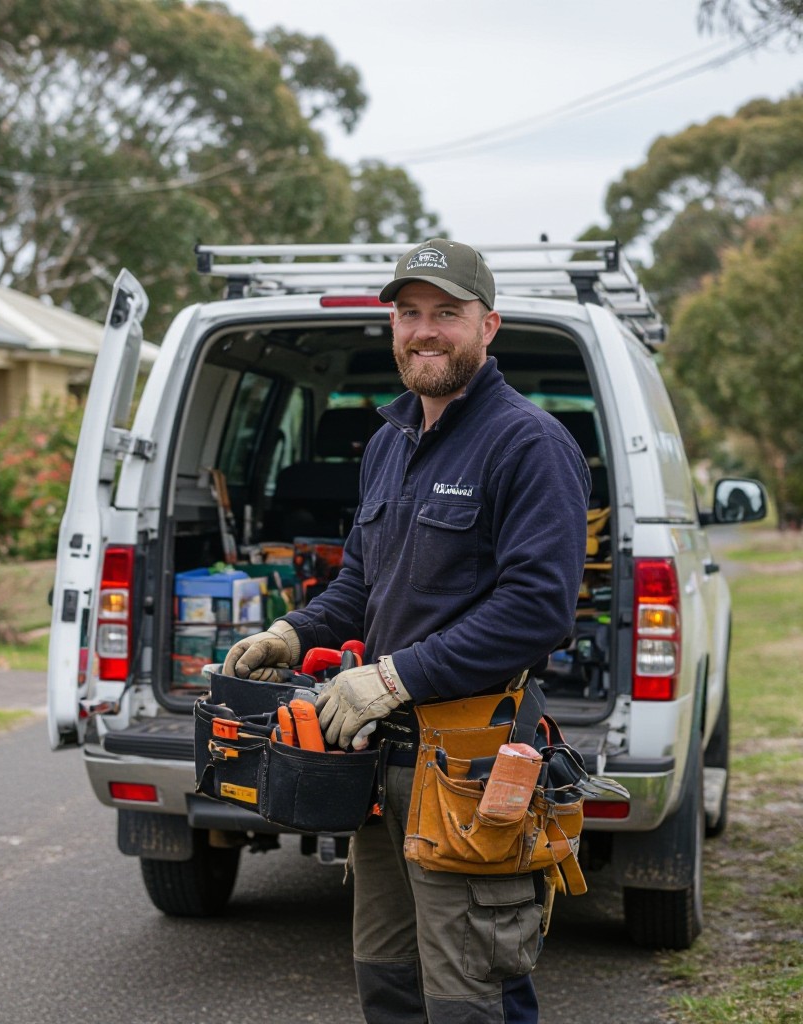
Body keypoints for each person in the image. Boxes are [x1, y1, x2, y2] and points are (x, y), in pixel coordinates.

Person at [222, 238, 590, 1024]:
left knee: (472, 998)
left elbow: (537, 610)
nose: (425, 331)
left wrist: (391, 678)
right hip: (380, 771)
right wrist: (292, 631)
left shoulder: (529, 445)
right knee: (387, 981)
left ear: (488, 326)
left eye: (446, 315)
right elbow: (363, 577)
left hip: (470, 767)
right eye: (409, 313)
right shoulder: (390, 444)